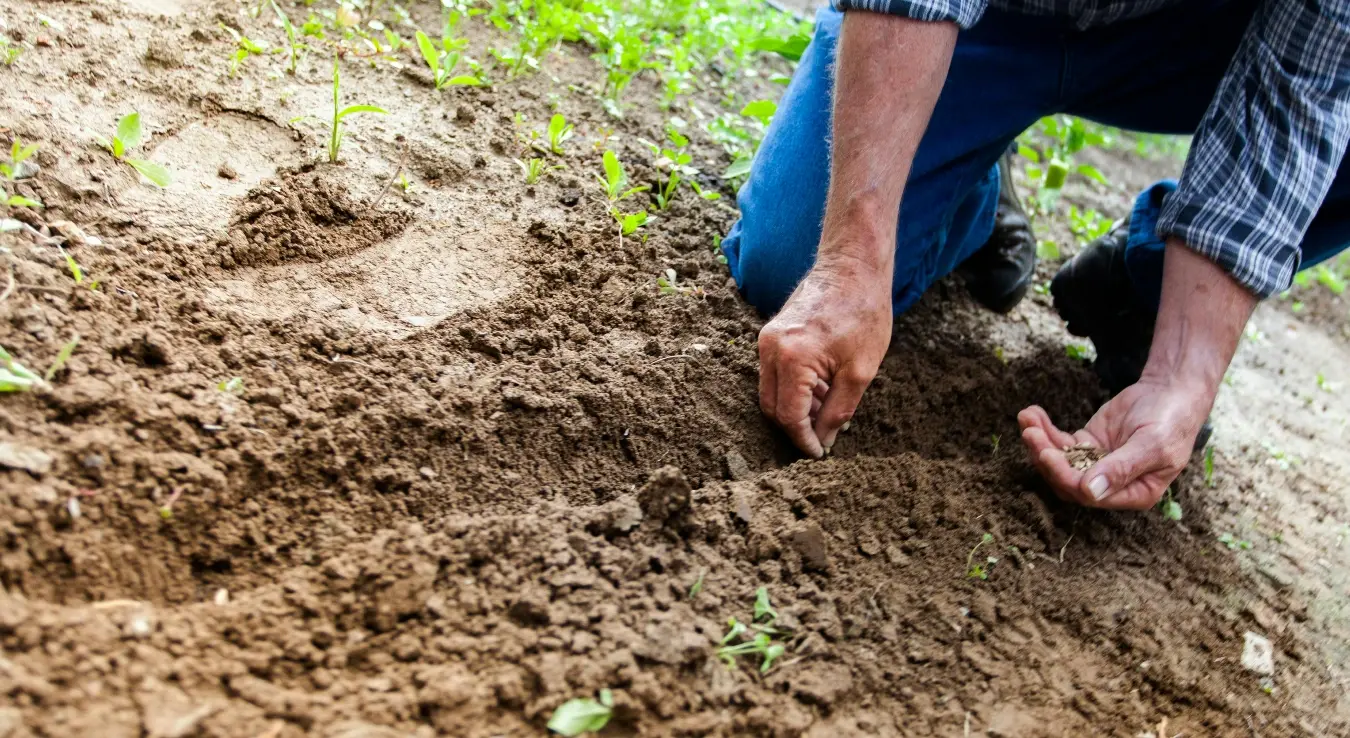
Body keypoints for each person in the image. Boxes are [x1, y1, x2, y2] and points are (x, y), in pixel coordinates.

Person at [720, 0, 1349, 510]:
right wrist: (851, 263)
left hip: (1193, 37)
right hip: (987, 19)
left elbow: (1304, 90)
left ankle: (1147, 286)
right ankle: (974, 191)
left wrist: (1182, 376)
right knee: (791, 265)